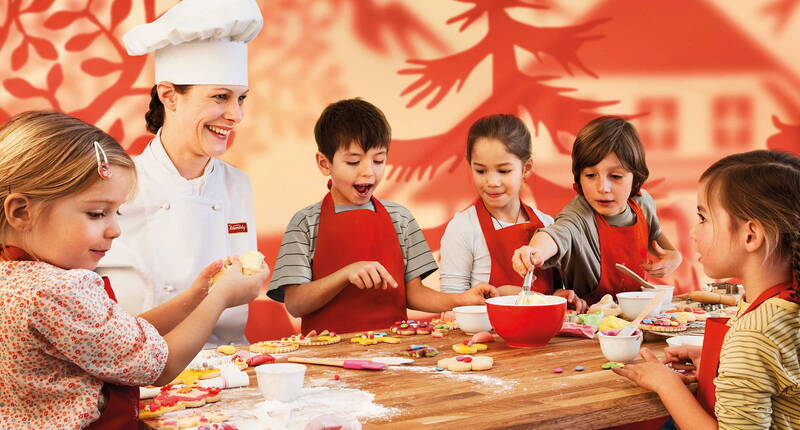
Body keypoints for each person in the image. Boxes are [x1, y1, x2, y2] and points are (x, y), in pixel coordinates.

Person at [0, 111, 266, 429]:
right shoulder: (60, 289)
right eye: (97, 213)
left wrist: (197, 295)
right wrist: (219, 298)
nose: (115, 230)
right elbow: (160, 365)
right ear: (20, 212)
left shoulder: (15, 277)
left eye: (117, 213)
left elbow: (119, 338)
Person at [98, 0, 265, 346]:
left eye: (241, 99)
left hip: (232, 365)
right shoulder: (113, 185)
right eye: (221, 97)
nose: (236, 115)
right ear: (169, 96)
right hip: (142, 373)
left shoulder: (238, 185)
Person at [267, 98, 497, 334]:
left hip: (394, 351)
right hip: (327, 355)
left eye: (378, 160)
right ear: (325, 163)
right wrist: (346, 274)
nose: (368, 171)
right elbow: (295, 303)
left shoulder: (400, 218)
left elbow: (413, 294)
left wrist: (462, 300)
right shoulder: (306, 223)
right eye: (353, 161)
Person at [615, 150, 800, 430]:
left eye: (703, 218)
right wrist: (718, 362)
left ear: (750, 235)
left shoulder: (753, 337)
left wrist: (666, 385)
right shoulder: (778, 306)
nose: (692, 232)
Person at [512, 116, 682, 306]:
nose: (603, 187)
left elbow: (662, 246)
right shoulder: (578, 215)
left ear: (636, 177)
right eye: (591, 175)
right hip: (591, 322)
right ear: (579, 177)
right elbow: (554, 234)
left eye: (616, 176)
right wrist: (533, 252)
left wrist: (676, 257)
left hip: (639, 314)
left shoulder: (643, 203)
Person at [438, 114, 584, 311]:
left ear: (526, 168)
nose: (492, 182)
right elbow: (451, 306)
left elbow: (552, 295)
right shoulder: (463, 228)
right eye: (481, 171)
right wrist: (504, 296)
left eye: (504, 171)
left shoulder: (548, 224)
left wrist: (560, 297)